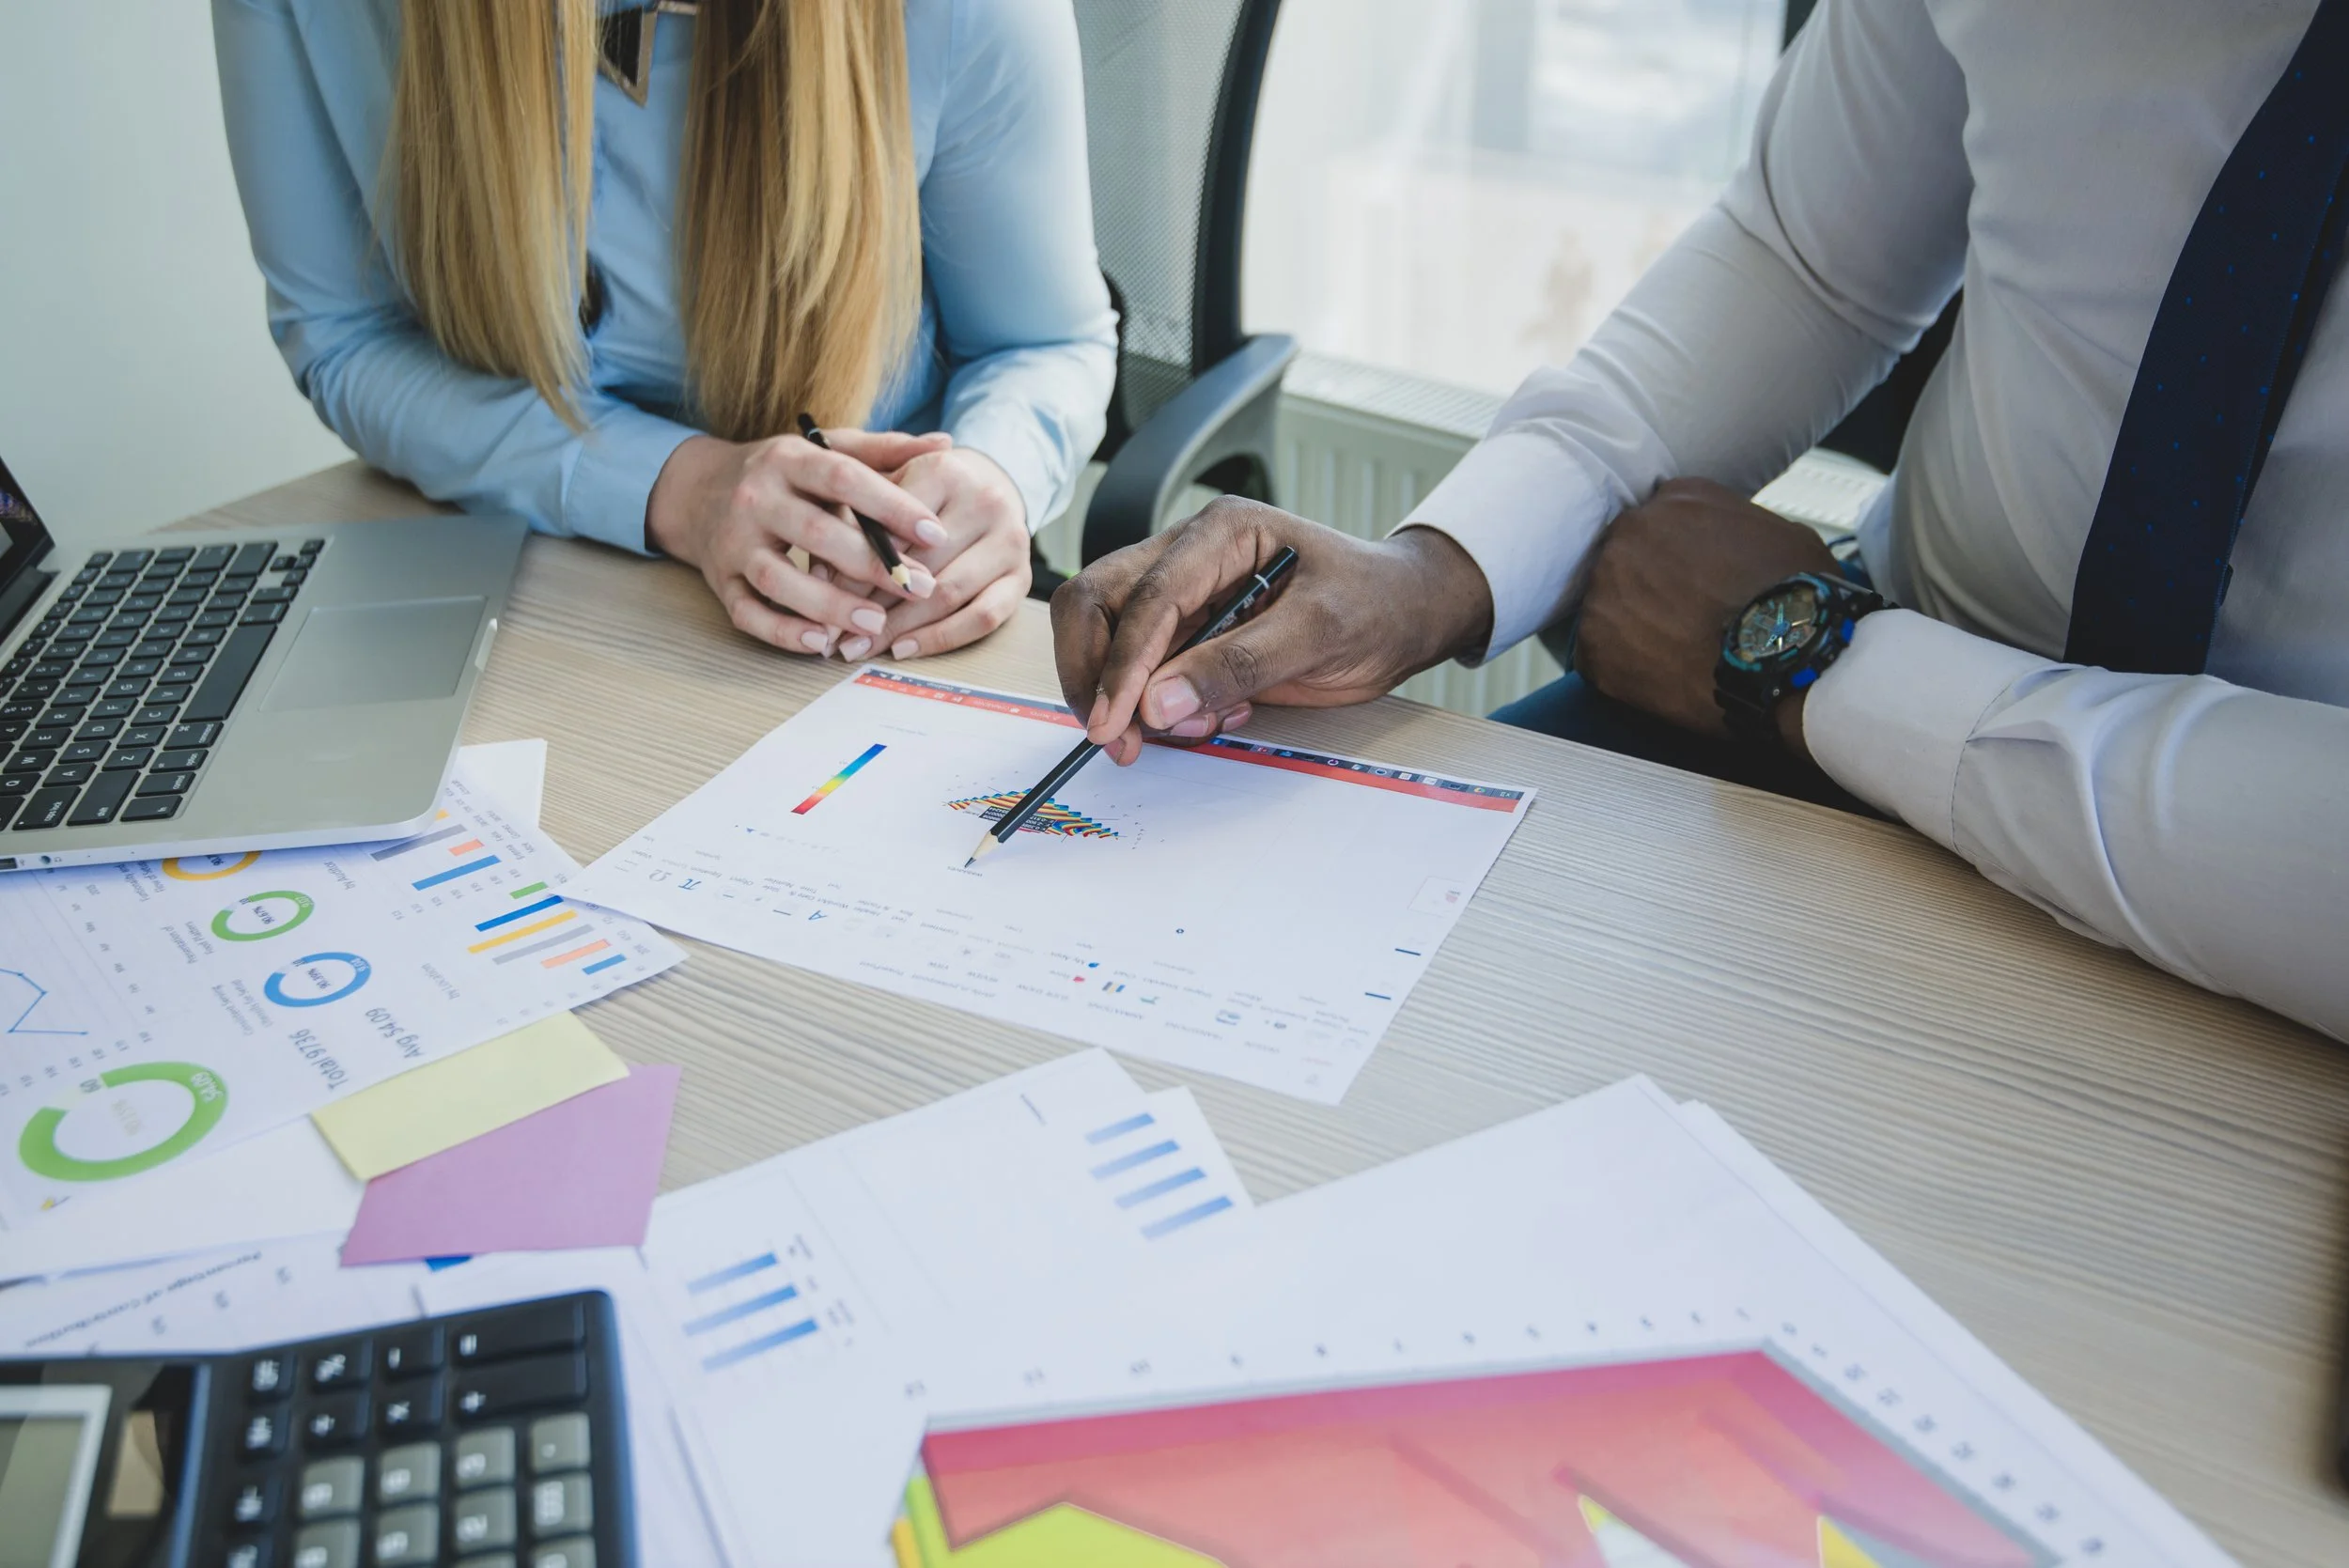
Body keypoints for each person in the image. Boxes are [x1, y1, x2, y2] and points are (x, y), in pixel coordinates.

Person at [1051, 0, 2349, 1043]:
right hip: (1811, 722)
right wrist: (1430, 576)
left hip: (2239, 937)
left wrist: (1814, 659)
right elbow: (1808, 258)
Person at [212, 0, 1115, 663]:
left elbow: (1040, 343)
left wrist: (995, 472)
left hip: (861, 616)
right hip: (510, 595)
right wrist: (674, 487)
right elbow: (339, 334)